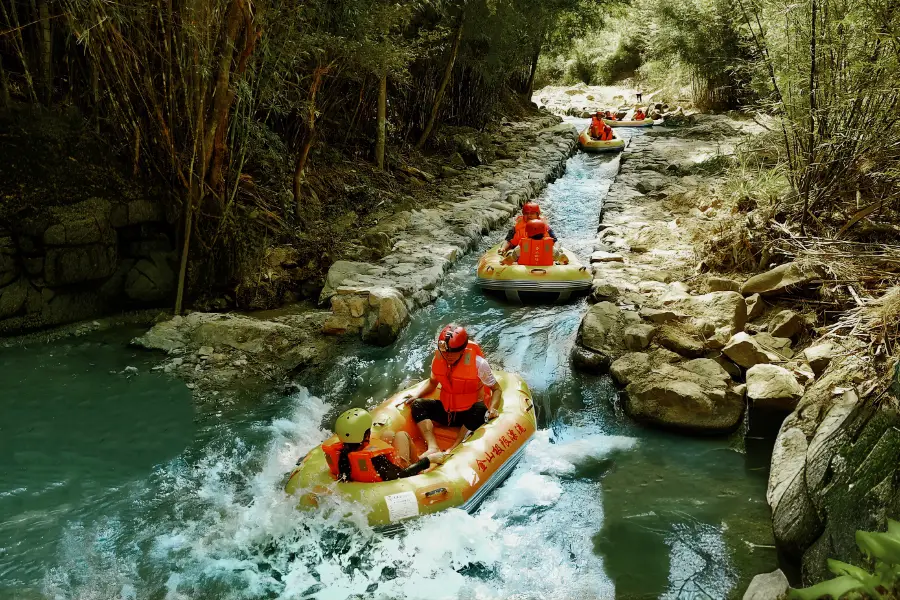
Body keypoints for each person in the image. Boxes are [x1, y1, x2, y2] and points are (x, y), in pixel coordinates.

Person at [402, 324, 502, 460]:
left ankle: (453, 448)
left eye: (452, 352)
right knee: (418, 405)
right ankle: (433, 447)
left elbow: (496, 389)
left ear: (462, 350)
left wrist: (493, 409)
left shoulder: (479, 364)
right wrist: (416, 395)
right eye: (445, 351)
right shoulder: (439, 359)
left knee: (480, 409)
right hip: (447, 411)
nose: (448, 355)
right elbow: (432, 382)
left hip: (469, 413)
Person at [322, 408, 432, 483]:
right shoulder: (376, 459)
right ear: (366, 436)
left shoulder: (342, 453)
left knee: (388, 434)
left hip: (367, 477)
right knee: (402, 435)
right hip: (395, 475)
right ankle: (420, 470)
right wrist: (427, 461)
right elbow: (400, 475)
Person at [501, 219, 569, 266]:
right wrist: (564, 261)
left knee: (511, 253)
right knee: (558, 252)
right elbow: (561, 258)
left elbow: (512, 258)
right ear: (543, 233)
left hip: (524, 272)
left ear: (527, 233)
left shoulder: (523, 247)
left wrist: (504, 262)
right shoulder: (549, 247)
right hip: (547, 271)